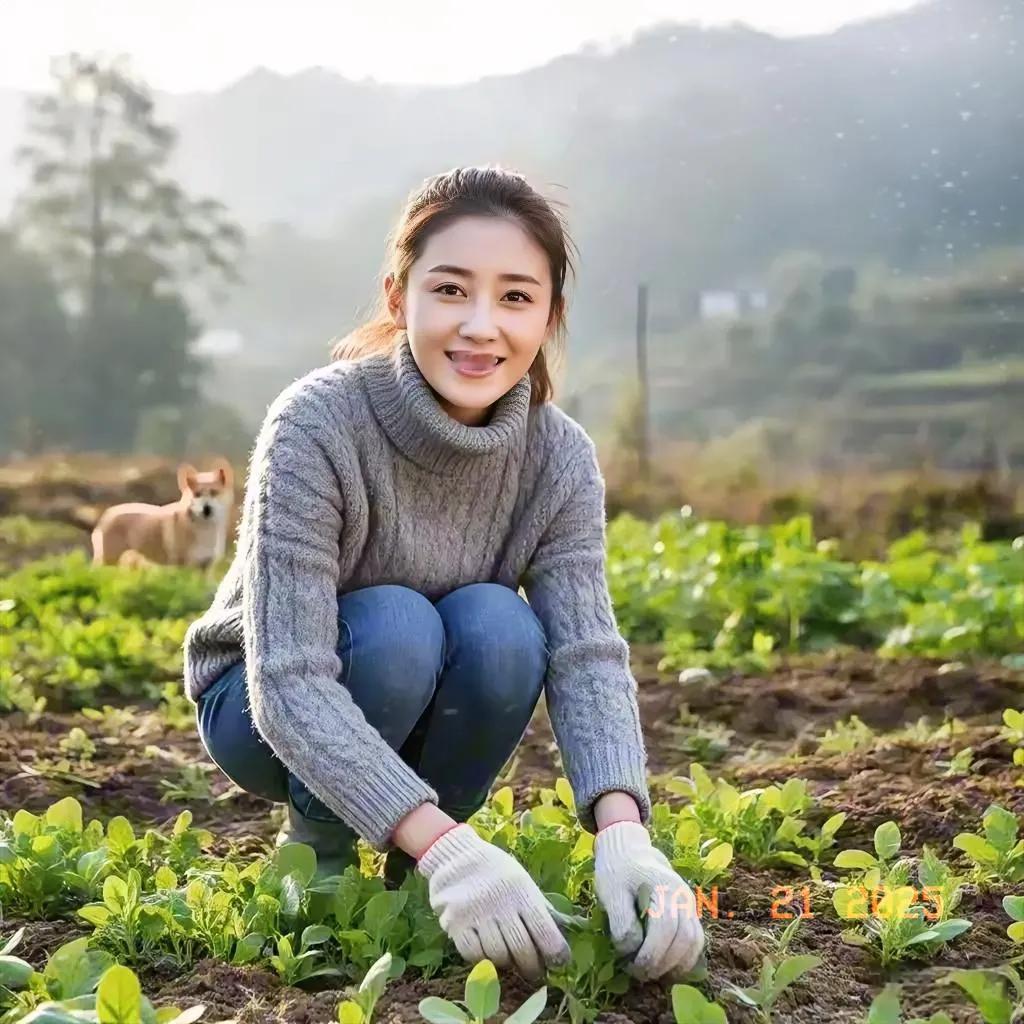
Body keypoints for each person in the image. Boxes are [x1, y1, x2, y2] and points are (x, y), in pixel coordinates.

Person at [182, 165, 704, 984]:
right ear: (399, 299)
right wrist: (454, 849)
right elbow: (286, 679)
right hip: (260, 712)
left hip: (423, 700)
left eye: (516, 298)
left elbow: (586, 655)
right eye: (452, 290)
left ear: (550, 317)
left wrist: (625, 832)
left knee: (501, 623)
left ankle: (418, 870)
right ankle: (321, 847)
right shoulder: (317, 424)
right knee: (397, 621)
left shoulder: (558, 456)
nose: (481, 327)